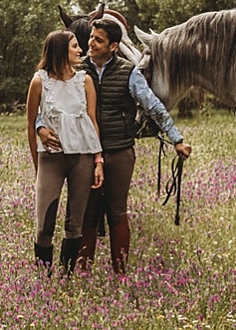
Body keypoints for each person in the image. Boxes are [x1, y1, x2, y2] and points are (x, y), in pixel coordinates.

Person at [37, 15, 190, 274]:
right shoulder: (77, 71)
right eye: (90, 39)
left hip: (119, 151)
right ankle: (83, 270)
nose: (90, 44)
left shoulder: (128, 73)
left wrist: (177, 139)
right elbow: (50, 101)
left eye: (98, 40)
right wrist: (40, 127)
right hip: (84, 153)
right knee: (86, 212)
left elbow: (153, 106)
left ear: (113, 46)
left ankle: (120, 272)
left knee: (117, 211)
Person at [25, 29, 103, 276]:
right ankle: (43, 278)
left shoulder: (85, 81)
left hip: (82, 157)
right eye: (74, 46)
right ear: (60, 49)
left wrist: (98, 160)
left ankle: (66, 276)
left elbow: (92, 121)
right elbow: (30, 123)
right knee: (44, 225)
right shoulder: (40, 81)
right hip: (51, 160)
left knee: (75, 224)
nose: (81, 50)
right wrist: (37, 163)